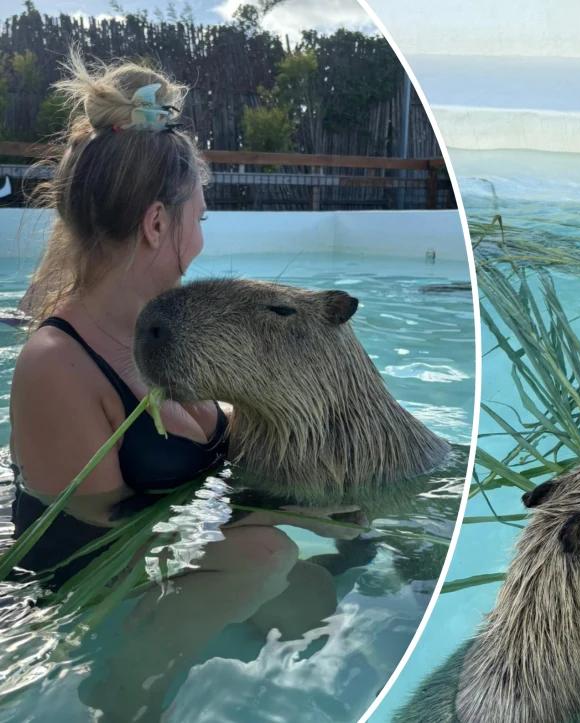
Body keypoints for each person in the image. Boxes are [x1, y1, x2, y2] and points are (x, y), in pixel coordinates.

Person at [9, 52, 362, 722]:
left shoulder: (172, 334)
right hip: (88, 597)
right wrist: (272, 516)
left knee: (317, 598)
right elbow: (102, 541)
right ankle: (125, 700)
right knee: (265, 556)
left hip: (191, 560)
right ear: (156, 225)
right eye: (199, 217)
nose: (202, 236)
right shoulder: (55, 365)